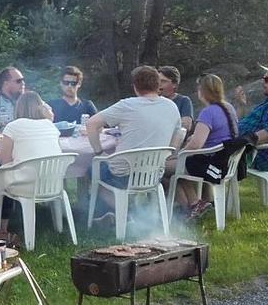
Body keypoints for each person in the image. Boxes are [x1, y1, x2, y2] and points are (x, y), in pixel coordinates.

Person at [86, 65, 184, 219]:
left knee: (92, 168)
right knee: (104, 167)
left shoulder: (127, 105)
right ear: (158, 85)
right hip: (154, 173)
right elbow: (179, 133)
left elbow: (91, 124)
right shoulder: (171, 107)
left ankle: (124, 212)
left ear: (135, 87)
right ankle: (124, 211)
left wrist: (99, 152)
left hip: (123, 174)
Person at [0, 92, 62, 233]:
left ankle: (2, 227)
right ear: (40, 108)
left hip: (26, 186)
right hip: (51, 184)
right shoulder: (51, 126)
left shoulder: (13, 127)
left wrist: (4, 146)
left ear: (18, 108)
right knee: (9, 169)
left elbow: (4, 161)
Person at [166, 74, 239, 218]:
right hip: (226, 162)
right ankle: (192, 206)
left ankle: (192, 205)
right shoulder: (228, 108)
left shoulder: (208, 112)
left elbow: (195, 145)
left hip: (210, 165)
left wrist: (177, 155)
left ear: (202, 90)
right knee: (176, 168)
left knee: (162, 167)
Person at [158, 66, 194, 133]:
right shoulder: (153, 101)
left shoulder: (183, 101)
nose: (159, 84)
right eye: (157, 81)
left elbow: (186, 126)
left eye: (163, 81)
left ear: (174, 84)